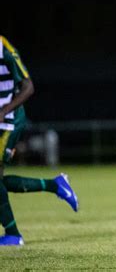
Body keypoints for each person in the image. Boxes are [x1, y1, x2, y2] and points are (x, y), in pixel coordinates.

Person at [0, 35, 79, 246]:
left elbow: (28, 87)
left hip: (9, 121)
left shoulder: (3, 47)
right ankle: (55, 185)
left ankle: (13, 234)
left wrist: (3, 111)